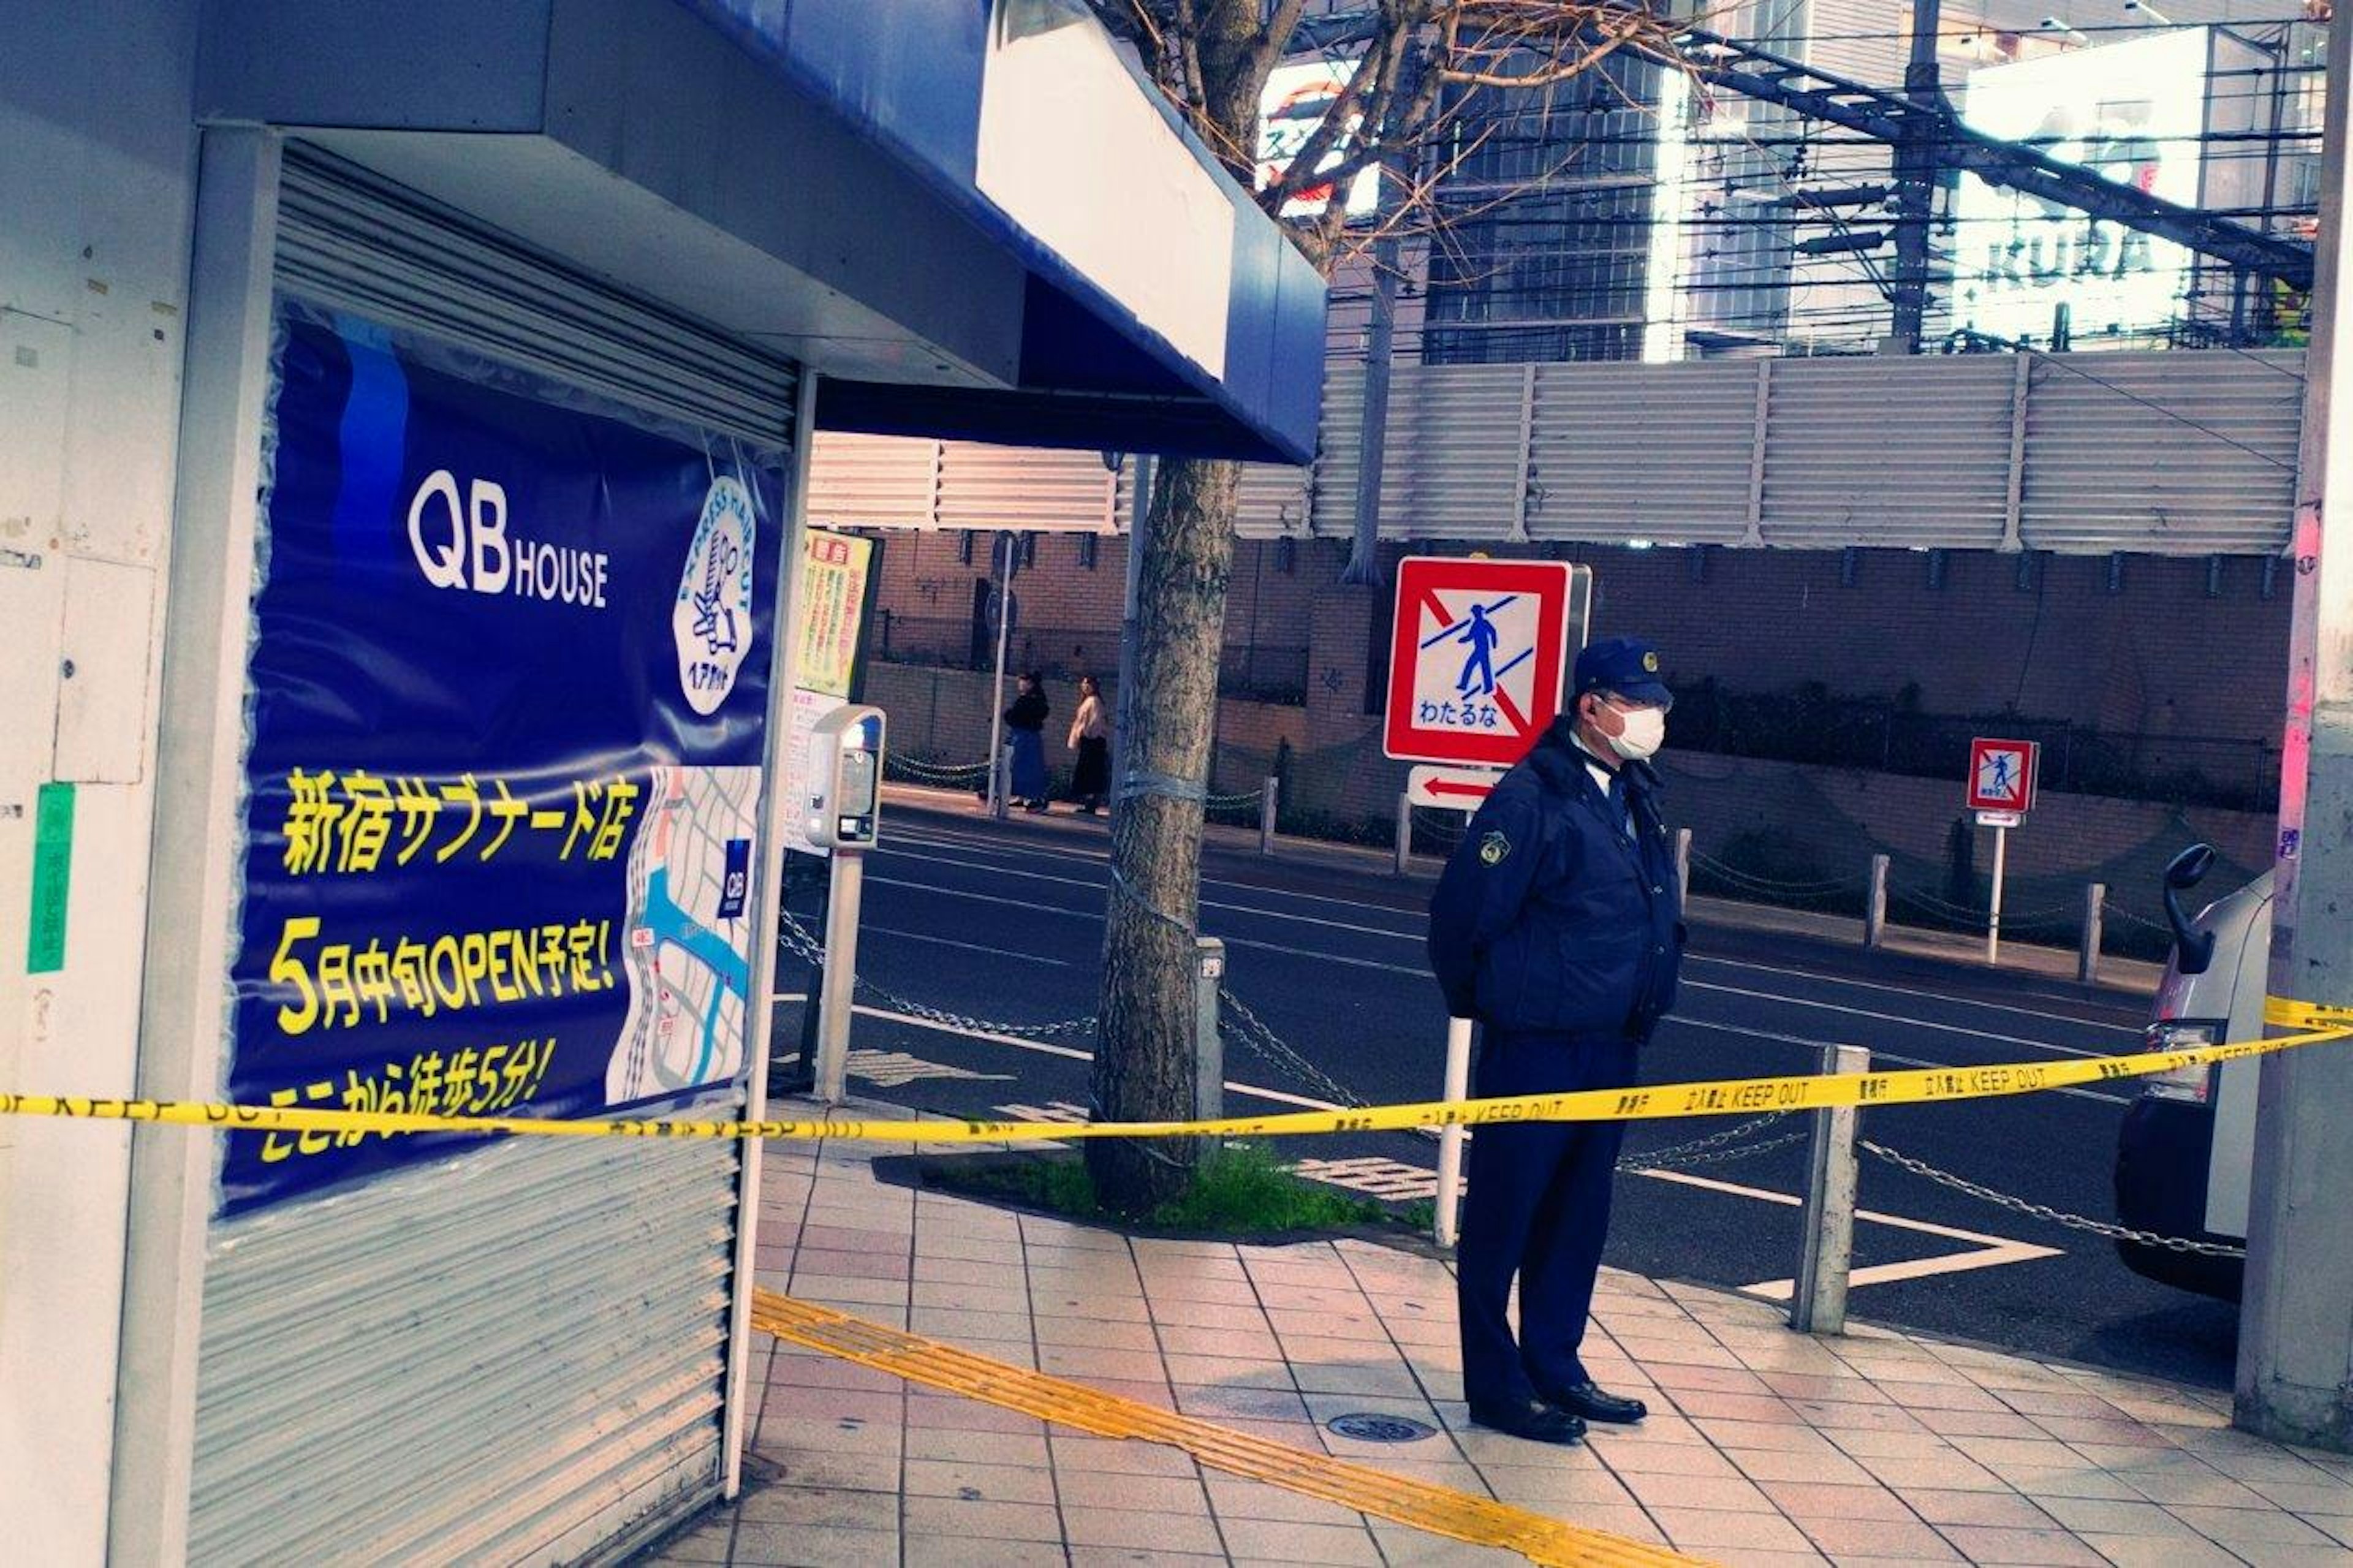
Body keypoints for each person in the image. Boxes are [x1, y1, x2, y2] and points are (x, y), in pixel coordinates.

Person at [1427, 636, 1684, 1447]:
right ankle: (1496, 1386)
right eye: (1635, 703)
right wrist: (1497, 1007)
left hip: (1610, 1044)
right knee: (1504, 1217)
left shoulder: (1635, 791)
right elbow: (1461, 918)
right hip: (1537, 1047)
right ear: (1591, 707)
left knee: (1577, 1215)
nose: (1649, 718)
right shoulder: (1530, 797)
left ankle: (1554, 1362)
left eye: (1655, 706)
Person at [1003, 672, 1051, 812]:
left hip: (1024, 735)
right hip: (1025, 735)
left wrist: (1009, 716)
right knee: (1021, 766)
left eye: (1023, 682)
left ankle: (1034, 797)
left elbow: (1015, 716)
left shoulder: (1029, 700)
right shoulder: (1035, 699)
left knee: (1025, 766)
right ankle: (1022, 795)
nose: (1020, 684)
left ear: (1030, 684)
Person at [1067, 675, 1110, 815]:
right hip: (1091, 741)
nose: (1085, 686)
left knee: (1091, 771)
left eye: (1088, 684)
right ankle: (1089, 801)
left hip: (1093, 742)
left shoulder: (1094, 701)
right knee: (1089, 771)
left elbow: (1095, 722)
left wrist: (1087, 735)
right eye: (1083, 684)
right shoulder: (1090, 701)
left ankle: (1091, 802)